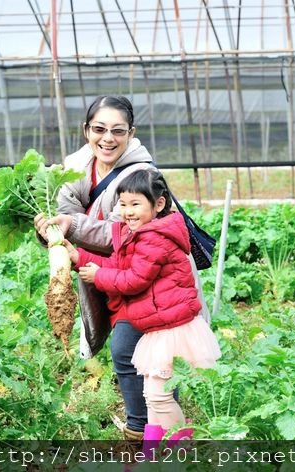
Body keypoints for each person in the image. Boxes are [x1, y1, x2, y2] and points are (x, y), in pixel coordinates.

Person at [33, 95, 210, 442]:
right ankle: (154, 432)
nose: (107, 138)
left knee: (142, 358)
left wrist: (72, 226)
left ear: (131, 133)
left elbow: (119, 234)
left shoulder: (141, 174)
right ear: (87, 131)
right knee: (137, 357)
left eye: (117, 130)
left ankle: (155, 433)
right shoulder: (76, 169)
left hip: (156, 285)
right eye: (99, 129)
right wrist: (54, 231)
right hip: (124, 281)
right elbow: (69, 213)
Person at [65, 168, 220, 453]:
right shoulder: (139, 233)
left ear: (158, 204)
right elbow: (122, 267)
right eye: (122, 204)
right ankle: (155, 452)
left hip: (171, 328)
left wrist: (98, 276)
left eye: (135, 204)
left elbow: (134, 279)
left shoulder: (154, 238)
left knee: (159, 396)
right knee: (153, 395)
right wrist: (80, 258)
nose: (127, 211)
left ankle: (179, 451)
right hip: (160, 323)